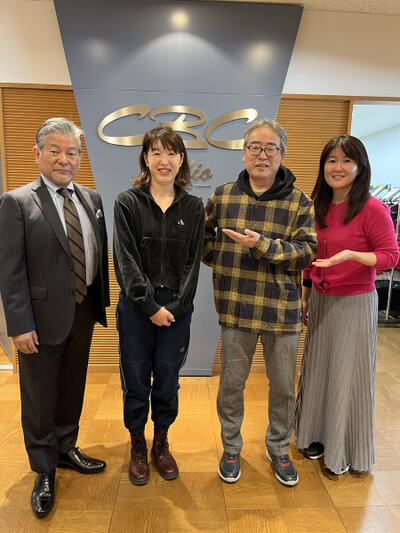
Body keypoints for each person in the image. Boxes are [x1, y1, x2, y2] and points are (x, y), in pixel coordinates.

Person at [0, 117, 110, 518]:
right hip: (39, 320)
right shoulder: (17, 202)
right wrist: (19, 325)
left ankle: (66, 448)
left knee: (72, 386)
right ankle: (44, 468)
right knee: (39, 395)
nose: (65, 159)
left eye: (72, 152)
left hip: (82, 311)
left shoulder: (92, 199)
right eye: (55, 151)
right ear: (38, 154)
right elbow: (10, 269)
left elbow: (96, 252)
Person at [202, 119, 317, 486]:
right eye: (255, 147)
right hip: (235, 307)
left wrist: (262, 245)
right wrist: (222, 261)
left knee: (282, 387)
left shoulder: (299, 202)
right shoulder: (223, 196)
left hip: (281, 311)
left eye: (271, 148)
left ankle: (279, 448)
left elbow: (307, 252)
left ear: (281, 155)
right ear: (243, 153)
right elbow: (202, 239)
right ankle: (231, 447)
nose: (262, 155)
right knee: (231, 385)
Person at [296, 135, 399, 475]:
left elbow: (391, 256)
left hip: (355, 302)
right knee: (318, 370)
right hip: (321, 300)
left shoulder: (373, 208)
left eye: (346, 160)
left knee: (346, 374)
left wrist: (352, 255)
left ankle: (342, 449)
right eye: (331, 160)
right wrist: (306, 295)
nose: (337, 167)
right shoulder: (317, 207)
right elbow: (310, 256)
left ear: (360, 167)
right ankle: (315, 436)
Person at [113, 126, 205, 486]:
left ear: (181, 160)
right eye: (156, 152)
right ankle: (137, 443)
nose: (163, 160)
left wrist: (177, 307)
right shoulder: (128, 202)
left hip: (176, 309)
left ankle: (161, 443)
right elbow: (126, 261)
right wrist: (150, 306)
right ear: (145, 159)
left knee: (168, 379)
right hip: (137, 307)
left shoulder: (193, 207)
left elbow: (192, 265)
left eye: (171, 153)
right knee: (135, 378)